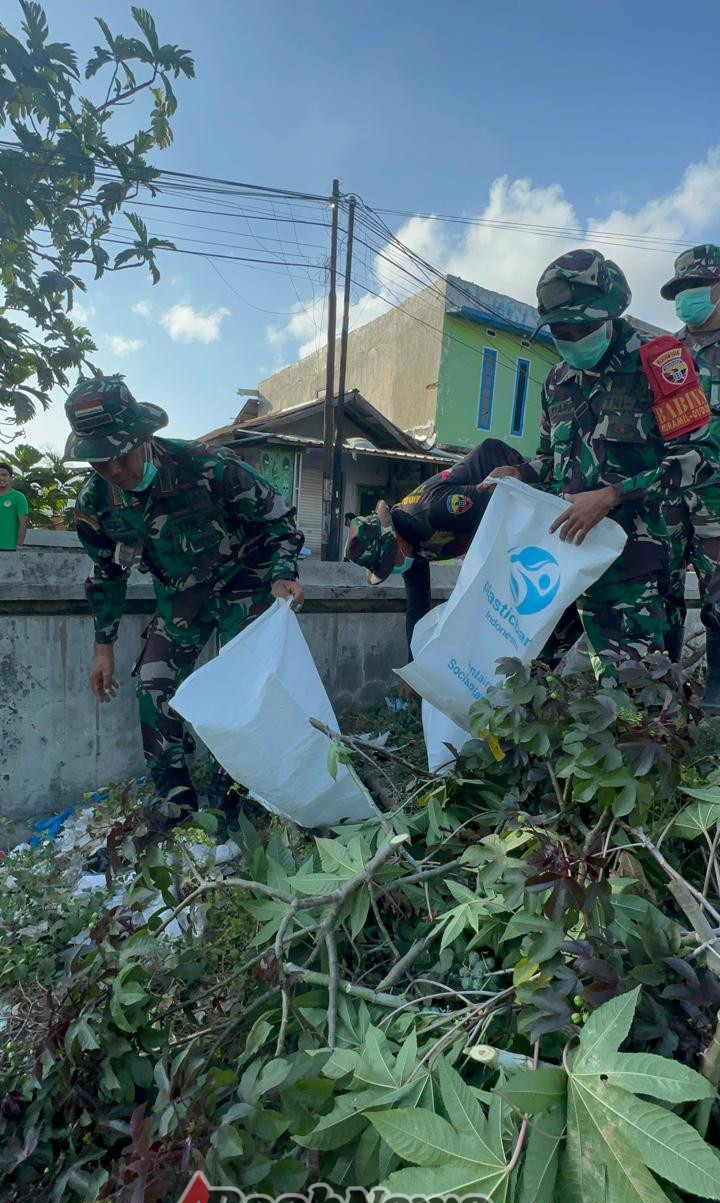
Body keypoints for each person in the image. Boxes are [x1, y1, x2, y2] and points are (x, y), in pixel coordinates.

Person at [65, 375, 304, 827]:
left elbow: (280, 522)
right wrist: (103, 649)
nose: (113, 469)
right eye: (99, 461)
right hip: (180, 597)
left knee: (241, 687)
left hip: (246, 580)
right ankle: (174, 799)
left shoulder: (207, 464)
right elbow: (106, 574)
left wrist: (281, 575)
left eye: (119, 455)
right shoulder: (96, 504)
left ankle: (229, 790)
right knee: (154, 687)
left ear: (144, 436)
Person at [486, 249, 715, 678]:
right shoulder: (557, 381)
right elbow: (553, 460)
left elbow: (699, 459)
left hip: (635, 564)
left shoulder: (661, 365)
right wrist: (520, 473)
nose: (571, 336)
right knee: (526, 681)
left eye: (583, 325)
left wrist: (613, 495)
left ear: (612, 314)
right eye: (560, 329)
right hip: (560, 559)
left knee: (636, 698)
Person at [346, 439, 582, 661]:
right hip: (494, 518)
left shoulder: (434, 510)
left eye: (392, 561)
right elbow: (417, 608)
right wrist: (414, 667)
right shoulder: (410, 546)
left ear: (394, 537)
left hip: (511, 478)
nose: (396, 567)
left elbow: (502, 499)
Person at [659, 245, 720, 706]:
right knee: (664, 587)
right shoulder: (665, 353)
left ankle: (716, 686)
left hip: (717, 495)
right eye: (680, 290)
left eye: (695, 287)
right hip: (666, 491)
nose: (687, 297)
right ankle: (664, 684)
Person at [0, 463, 28, 551]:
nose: (1, 478)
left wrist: (19, 545)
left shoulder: (19, 497)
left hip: (10, 548)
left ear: (11, 477)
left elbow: (23, 523)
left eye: (4, 475)